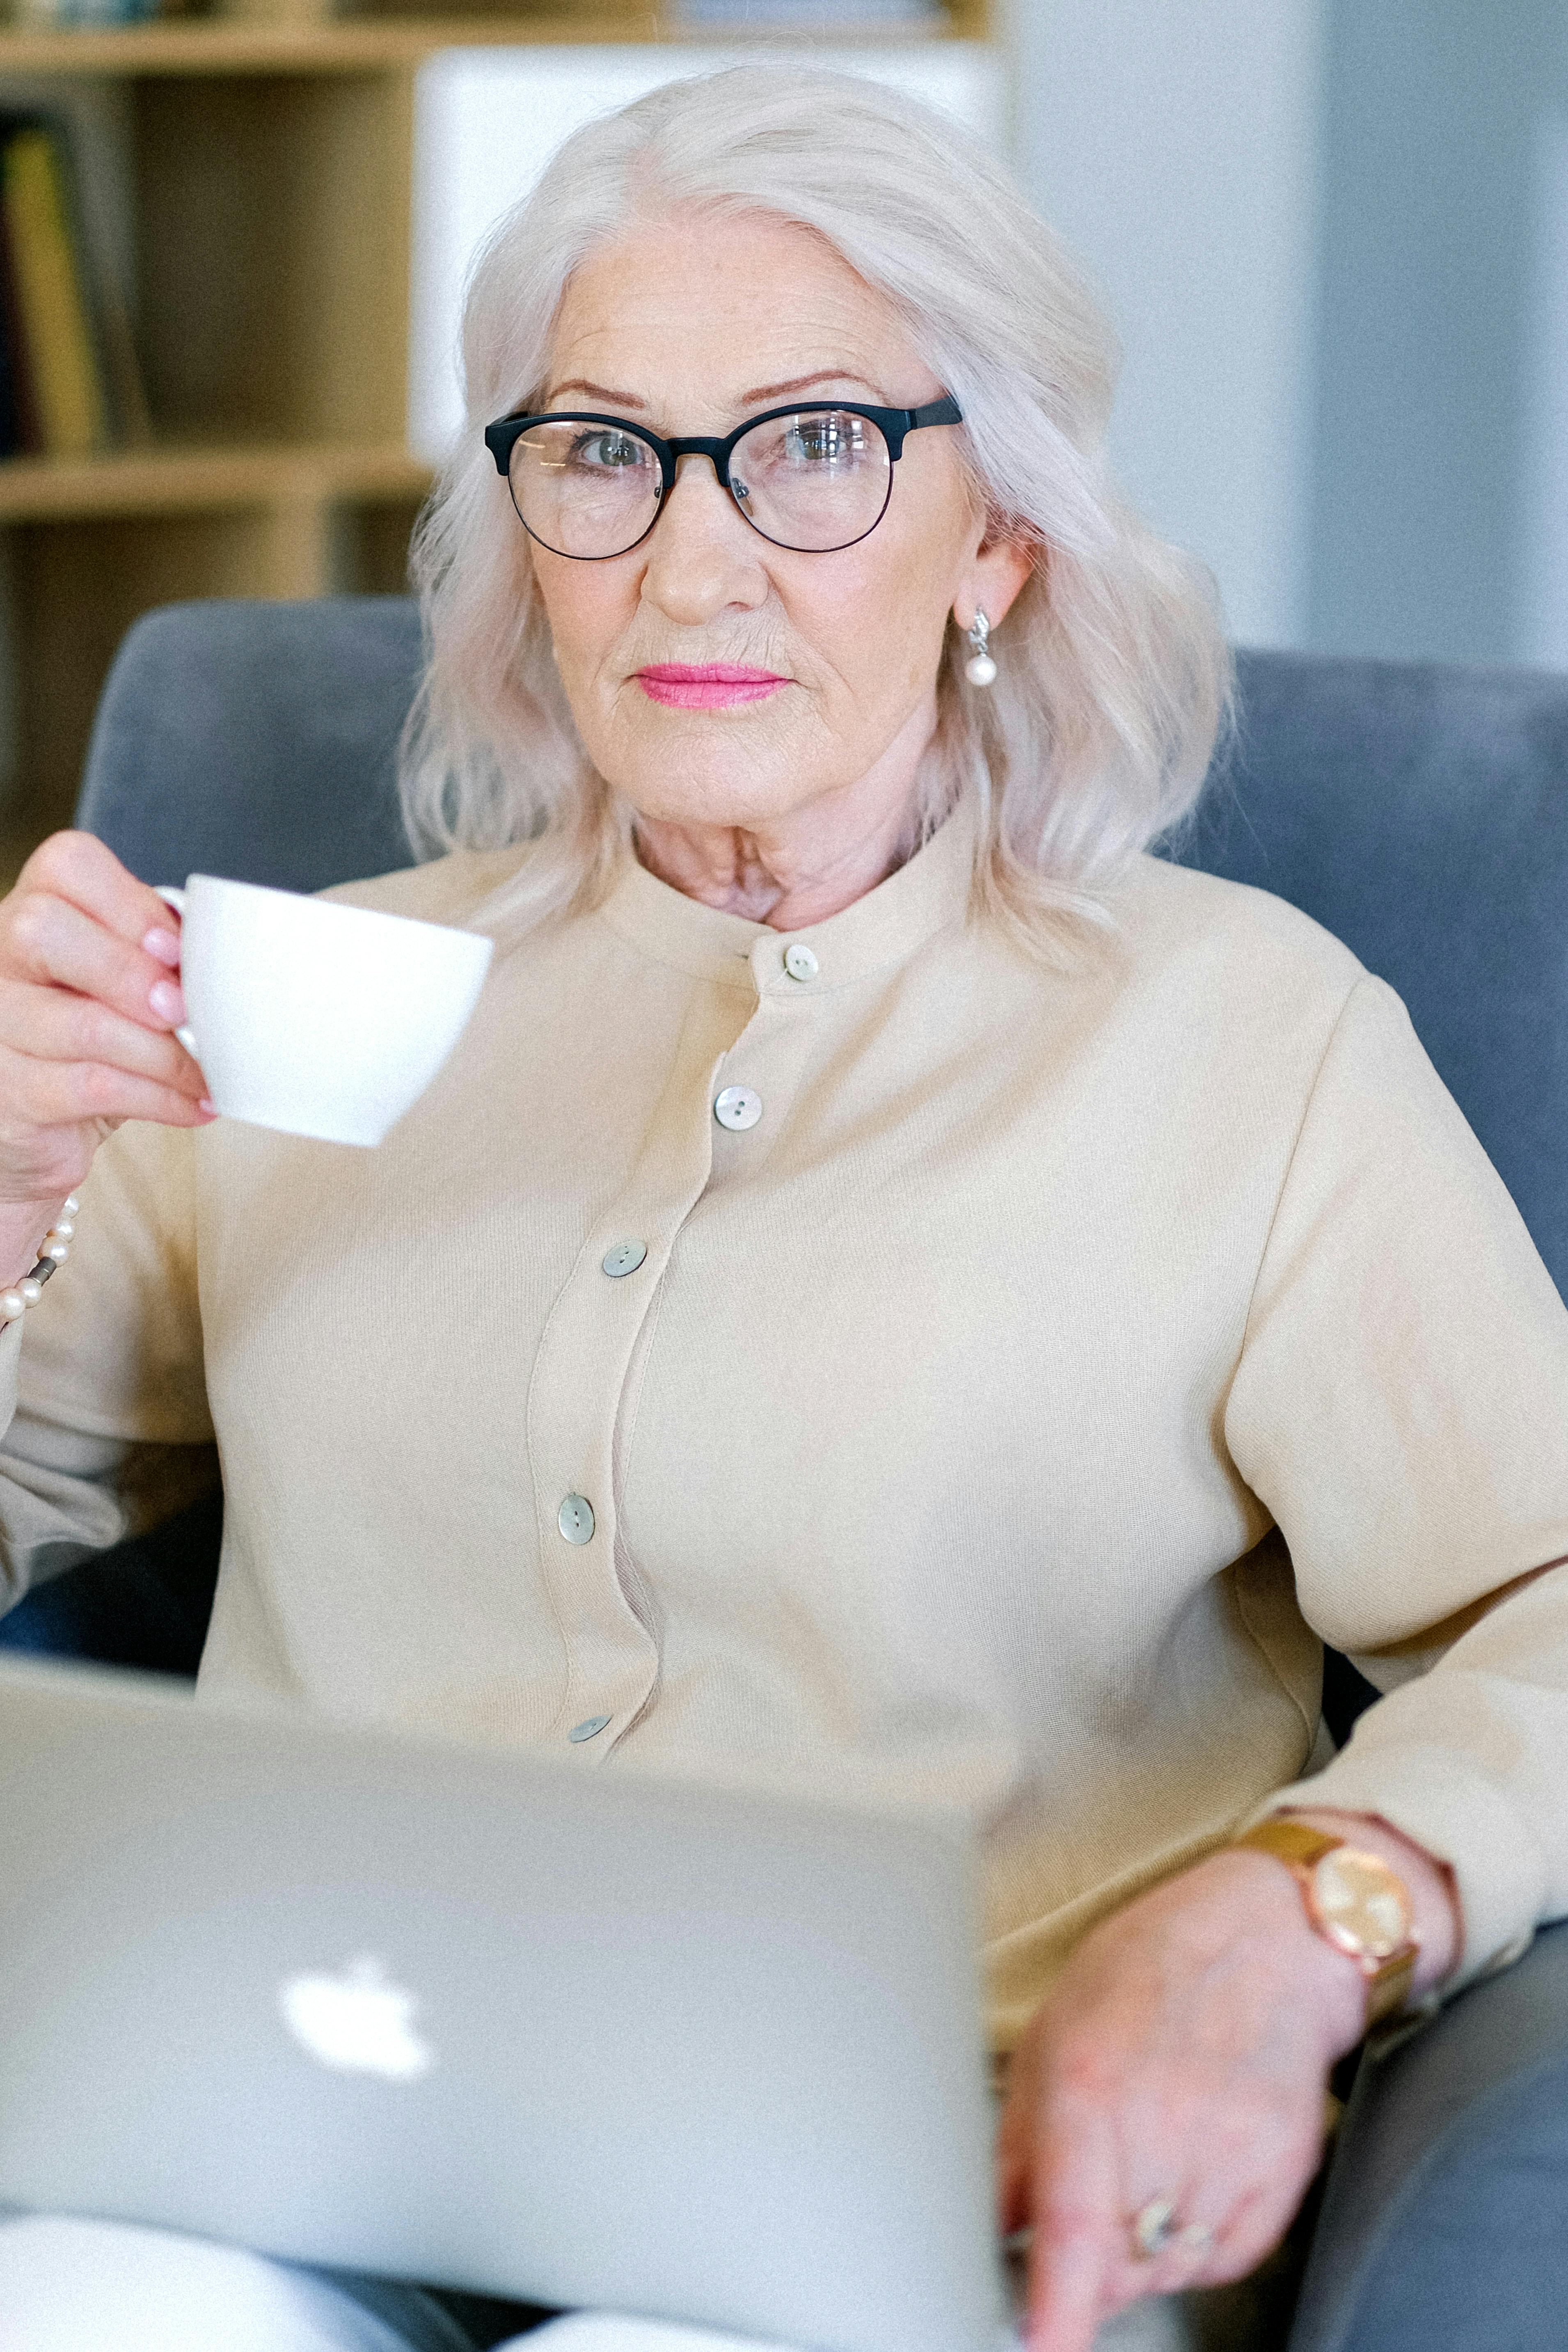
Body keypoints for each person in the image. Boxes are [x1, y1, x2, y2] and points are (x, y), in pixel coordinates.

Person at [0, 64, 1563, 2352]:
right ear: (528, 528)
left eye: (818, 445)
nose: (694, 557)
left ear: (999, 535)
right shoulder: (281, 993)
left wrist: (1307, 1907)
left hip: (922, 2220)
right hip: (294, 2138)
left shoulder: (1254, 1051)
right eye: (606, 452)